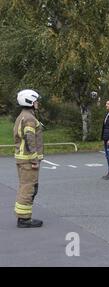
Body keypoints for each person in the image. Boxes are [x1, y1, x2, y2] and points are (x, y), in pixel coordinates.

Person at [14, 89, 44, 228]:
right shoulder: (30, 118)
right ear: (30, 101)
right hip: (27, 160)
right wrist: (34, 159)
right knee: (28, 188)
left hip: (22, 158)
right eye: (36, 100)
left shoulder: (23, 116)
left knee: (25, 187)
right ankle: (24, 219)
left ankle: (23, 216)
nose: (37, 103)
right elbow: (29, 139)